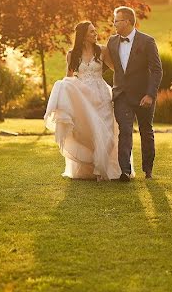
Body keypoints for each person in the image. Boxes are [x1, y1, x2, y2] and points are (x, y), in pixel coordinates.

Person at [44, 20, 124, 180]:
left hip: (101, 95)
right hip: (83, 98)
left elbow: (117, 69)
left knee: (106, 131)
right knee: (86, 132)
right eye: (92, 32)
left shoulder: (101, 51)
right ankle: (91, 167)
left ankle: (103, 168)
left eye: (95, 31)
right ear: (83, 36)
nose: (95, 34)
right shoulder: (72, 54)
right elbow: (68, 78)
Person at [106, 6, 163, 182]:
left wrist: (150, 95)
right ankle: (125, 171)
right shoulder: (112, 42)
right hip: (122, 95)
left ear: (128, 21)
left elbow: (156, 70)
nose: (114, 24)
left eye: (117, 20)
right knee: (125, 131)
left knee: (146, 131)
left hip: (143, 96)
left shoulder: (147, 41)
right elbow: (107, 65)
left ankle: (148, 170)